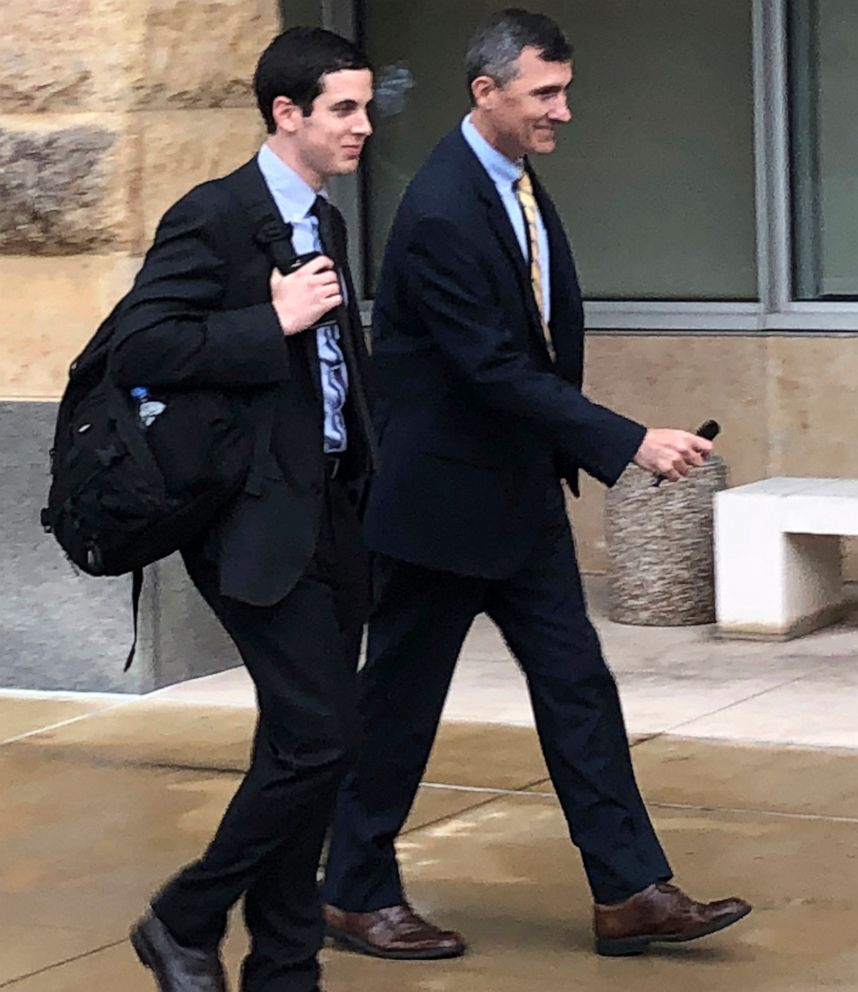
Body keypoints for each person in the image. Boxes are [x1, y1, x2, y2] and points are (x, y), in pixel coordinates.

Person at [321, 8, 751, 961]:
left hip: (515, 500)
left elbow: (541, 348)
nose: (563, 111)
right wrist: (629, 441)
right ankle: (352, 893)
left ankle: (632, 891)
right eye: (544, 94)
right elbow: (493, 369)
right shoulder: (440, 210)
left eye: (565, 90)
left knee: (578, 691)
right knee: (398, 707)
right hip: (439, 511)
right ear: (487, 94)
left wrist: (580, 446)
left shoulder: (514, 185)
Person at [113, 27, 376, 992]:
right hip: (252, 526)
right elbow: (137, 348)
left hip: (336, 513)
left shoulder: (328, 221)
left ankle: (285, 965)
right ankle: (184, 918)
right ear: (287, 114)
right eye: (342, 109)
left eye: (364, 107)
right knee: (321, 739)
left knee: (301, 747)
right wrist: (269, 321)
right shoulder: (213, 216)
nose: (363, 127)